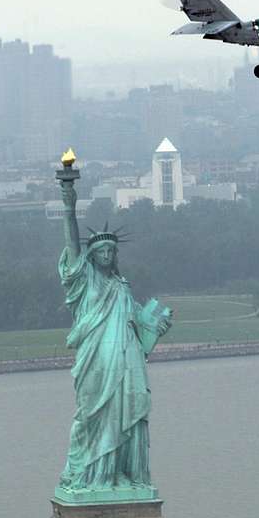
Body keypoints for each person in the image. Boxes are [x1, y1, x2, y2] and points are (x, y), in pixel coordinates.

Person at [56, 164, 171, 494]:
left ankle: (124, 475)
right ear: (91, 256)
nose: (106, 255)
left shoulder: (122, 286)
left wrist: (156, 328)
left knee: (128, 410)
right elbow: (71, 245)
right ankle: (93, 475)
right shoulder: (84, 280)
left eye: (111, 251)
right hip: (97, 358)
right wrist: (68, 202)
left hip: (127, 358)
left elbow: (138, 325)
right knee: (94, 414)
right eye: (100, 251)